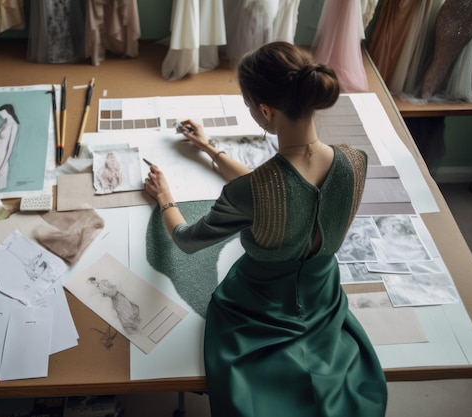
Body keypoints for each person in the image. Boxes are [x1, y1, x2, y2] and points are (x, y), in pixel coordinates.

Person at [144, 42, 387, 417]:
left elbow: (186, 240)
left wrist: (165, 198)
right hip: (323, 301)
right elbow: (283, 190)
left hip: (258, 312)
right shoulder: (354, 163)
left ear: (264, 111)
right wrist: (209, 148)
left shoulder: (253, 191)